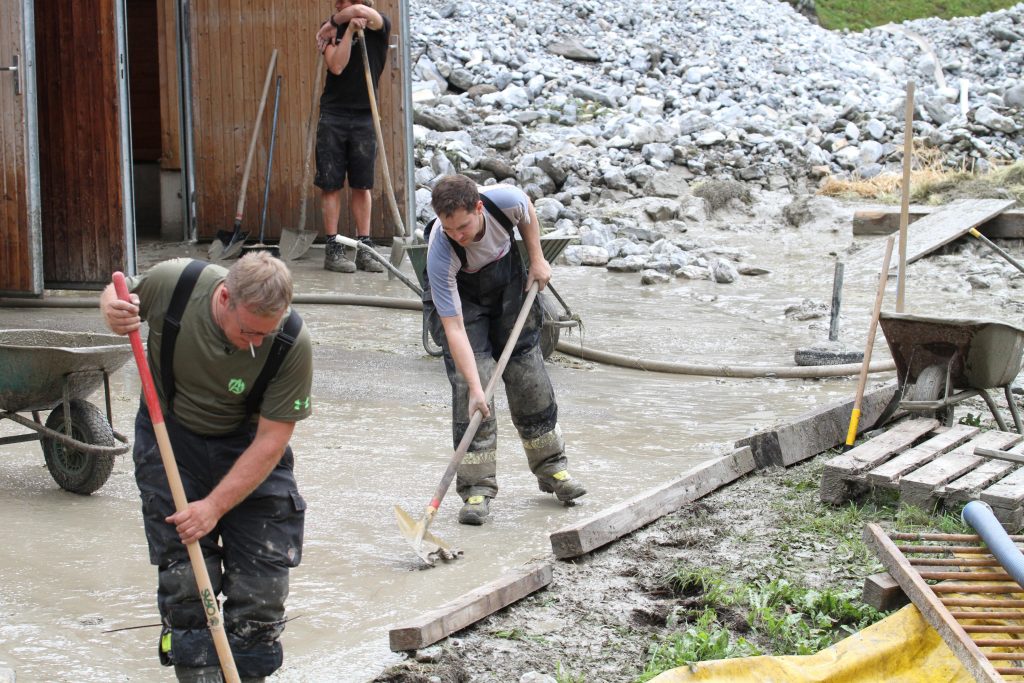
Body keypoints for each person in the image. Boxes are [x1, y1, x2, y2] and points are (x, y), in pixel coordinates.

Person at [100, 252, 313, 683]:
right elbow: (119, 291)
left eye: (265, 333)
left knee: (263, 585)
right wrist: (111, 309)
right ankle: (195, 669)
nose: (256, 343)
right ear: (223, 298)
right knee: (187, 581)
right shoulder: (176, 283)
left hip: (248, 446)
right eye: (248, 331)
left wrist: (214, 506)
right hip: (171, 437)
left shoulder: (291, 340)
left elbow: (272, 439)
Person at [422, 174, 586, 525]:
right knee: (472, 385)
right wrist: (477, 389)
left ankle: (553, 469)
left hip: (507, 283)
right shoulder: (441, 250)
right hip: (463, 300)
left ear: (478, 208)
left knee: (528, 374)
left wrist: (538, 258)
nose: (458, 236)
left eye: (463, 227)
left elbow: (526, 209)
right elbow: (453, 327)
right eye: (449, 229)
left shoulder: (504, 200)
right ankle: (476, 488)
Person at [313, 0, 391, 274]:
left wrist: (337, 21)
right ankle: (333, 249)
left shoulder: (380, 24)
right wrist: (344, 30)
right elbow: (336, 67)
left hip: (364, 116)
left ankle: (364, 249)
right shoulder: (331, 31)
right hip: (333, 114)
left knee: (362, 184)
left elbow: (362, 13)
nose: (340, 5)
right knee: (331, 183)